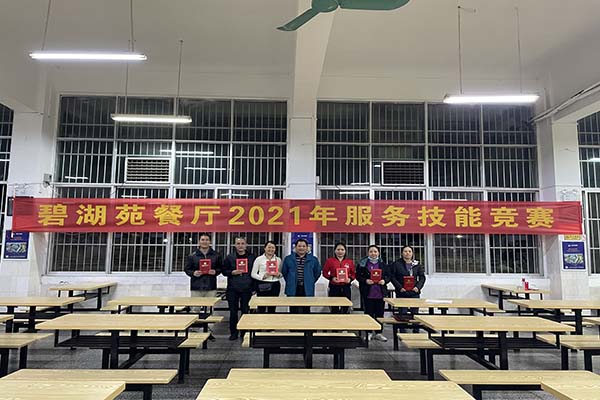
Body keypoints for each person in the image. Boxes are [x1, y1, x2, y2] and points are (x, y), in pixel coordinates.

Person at [222, 237, 256, 340]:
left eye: (242, 243)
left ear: (246, 245)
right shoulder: (229, 257)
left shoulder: (252, 257)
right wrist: (232, 272)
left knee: (245, 311)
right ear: (235, 245)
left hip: (247, 288)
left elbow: (255, 272)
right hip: (233, 288)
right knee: (233, 312)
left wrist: (254, 288)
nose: (240, 245)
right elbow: (224, 271)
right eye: (238, 243)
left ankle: (244, 332)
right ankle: (233, 332)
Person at [389, 245, 426, 332]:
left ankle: (416, 331)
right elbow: (393, 277)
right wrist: (400, 287)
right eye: (405, 251)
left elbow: (422, 277)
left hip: (414, 292)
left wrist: (418, 287)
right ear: (402, 253)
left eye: (409, 251)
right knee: (402, 313)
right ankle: (402, 331)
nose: (407, 253)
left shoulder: (416, 264)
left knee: (415, 313)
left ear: (412, 253)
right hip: (402, 292)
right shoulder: (396, 264)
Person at [356, 244, 389, 342]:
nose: (373, 253)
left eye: (375, 251)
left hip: (380, 292)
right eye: (371, 251)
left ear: (378, 253)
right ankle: (369, 332)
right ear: (368, 253)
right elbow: (358, 276)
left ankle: (379, 333)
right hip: (368, 292)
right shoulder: (363, 264)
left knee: (380, 314)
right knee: (368, 314)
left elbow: (389, 276)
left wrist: (384, 281)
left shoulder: (383, 264)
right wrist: (365, 280)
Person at [281, 239, 322, 314]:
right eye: (299, 246)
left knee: (306, 309)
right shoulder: (288, 259)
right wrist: (291, 281)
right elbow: (284, 272)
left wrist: (310, 281)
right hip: (293, 287)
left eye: (303, 246)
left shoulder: (313, 259)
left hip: (307, 287)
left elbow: (317, 273)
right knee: (293, 309)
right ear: (295, 247)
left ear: (307, 248)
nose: (301, 248)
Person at [184, 232, 223, 298]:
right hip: (196, 287)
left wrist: (215, 271)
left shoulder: (216, 255)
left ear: (210, 242)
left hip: (211, 287)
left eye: (207, 240)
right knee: (196, 305)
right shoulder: (192, 256)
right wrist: (193, 273)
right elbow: (187, 269)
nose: (205, 242)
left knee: (210, 305)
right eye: (202, 240)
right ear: (199, 241)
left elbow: (221, 268)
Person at [322, 242, 355, 314]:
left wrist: (350, 279)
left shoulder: (349, 262)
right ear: (335, 251)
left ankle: (345, 320)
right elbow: (325, 273)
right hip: (334, 287)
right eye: (338, 249)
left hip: (346, 287)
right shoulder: (330, 261)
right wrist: (332, 278)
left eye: (342, 250)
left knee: (346, 307)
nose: (340, 251)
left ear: (345, 251)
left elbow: (353, 274)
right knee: (334, 307)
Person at [251, 240, 282, 313]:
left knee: (272, 307)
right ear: (265, 248)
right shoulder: (259, 259)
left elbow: (280, 273)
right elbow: (253, 274)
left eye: (273, 248)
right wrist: (262, 276)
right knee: (261, 307)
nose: (271, 249)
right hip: (263, 283)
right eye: (269, 247)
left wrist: (279, 275)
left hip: (275, 284)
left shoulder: (278, 260)